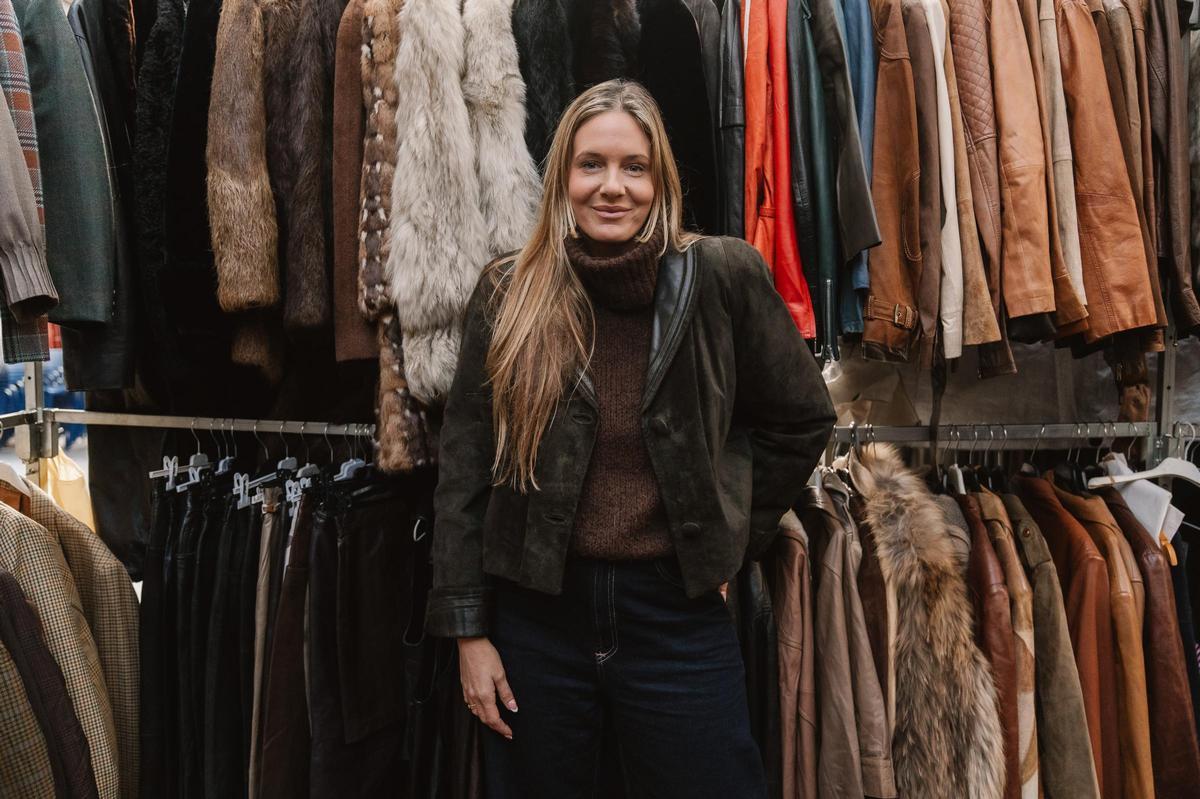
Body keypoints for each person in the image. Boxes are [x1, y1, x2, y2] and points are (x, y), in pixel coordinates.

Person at [426, 79, 835, 797]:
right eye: (592, 165)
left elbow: (801, 419)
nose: (612, 187)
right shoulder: (507, 292)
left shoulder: (721, 276)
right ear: (563, 178)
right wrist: (469, 633)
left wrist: (731, 533)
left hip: (676, 616)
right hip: (537, 621)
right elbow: (465, 472)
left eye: (633, 167)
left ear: (660, 178)